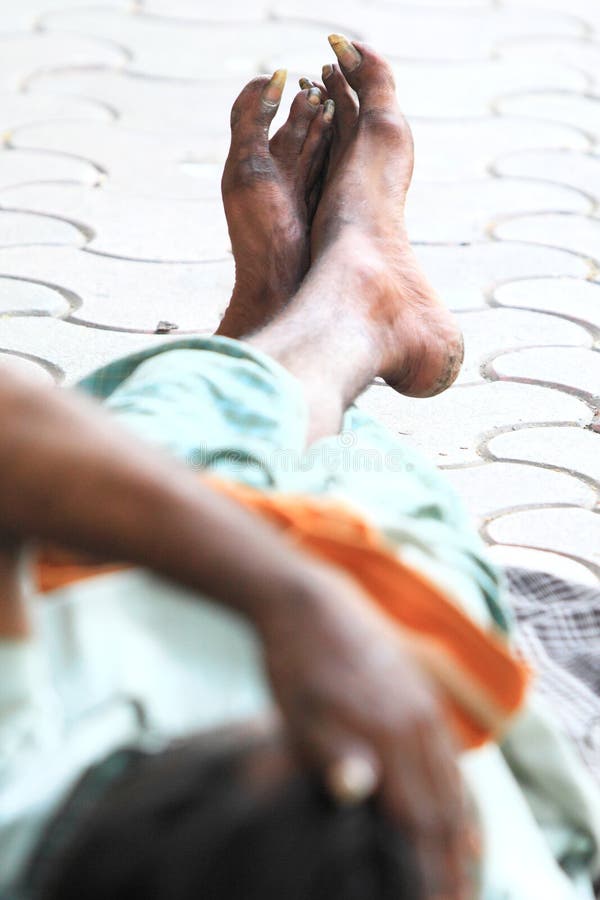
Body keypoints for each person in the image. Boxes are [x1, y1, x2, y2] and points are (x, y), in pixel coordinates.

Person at [0, 35, 599, 900]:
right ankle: (346, 307)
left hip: (116, 573)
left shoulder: (21, 800)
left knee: (181, 445)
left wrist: (293, 601)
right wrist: (325, 602)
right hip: (399, 579)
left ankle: (302, 320)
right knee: (327, 480)